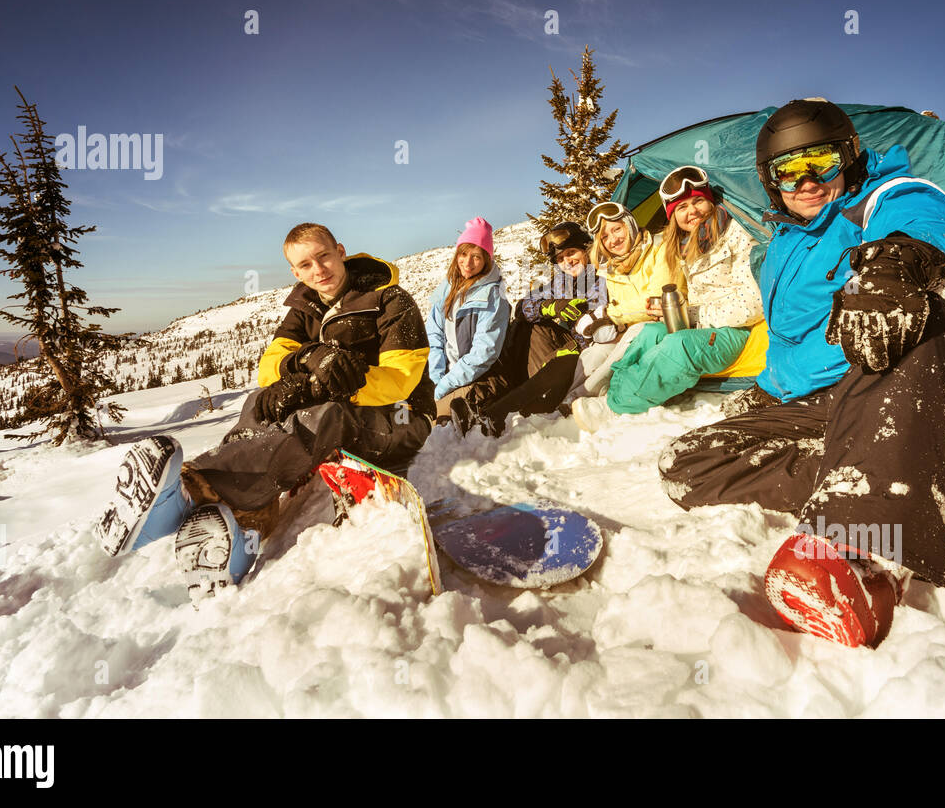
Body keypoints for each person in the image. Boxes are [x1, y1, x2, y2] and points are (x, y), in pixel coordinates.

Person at [657, 99, 945, 648]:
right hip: (827, 406)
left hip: (917, 387)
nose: (807, 181)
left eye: (819, 161)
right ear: (771, 183)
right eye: (787, 171)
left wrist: (896, 263)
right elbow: (791, 345)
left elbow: (926, 220)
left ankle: (867, 555)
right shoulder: (781, 246)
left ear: (848, 157)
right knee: (687, 464)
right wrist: (764, 393)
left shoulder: (880, 199)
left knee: (940, 300)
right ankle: (907, 467)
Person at [95, 222, 435, 595]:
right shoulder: (305, 305)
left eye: (323, 257)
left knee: (325, 417)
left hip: (402, 418)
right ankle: (240, 531)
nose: (318, 270)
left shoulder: (389, 300)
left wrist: (329, 386)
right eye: (305, 265)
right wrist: (304, 365)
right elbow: (269, 366)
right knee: (260, 402)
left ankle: (191, 491)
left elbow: (401, 379)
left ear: (340, 251)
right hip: (340, 411)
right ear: (295, 271)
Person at [577, 166, 766, 427]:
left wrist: (694, 315)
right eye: (681, 208)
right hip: (699, 326)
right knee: (649, 334)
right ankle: (619, 391)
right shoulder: (685, 245)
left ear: (710, 201)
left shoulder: (737, 234)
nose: (692, 212)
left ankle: (615, 407)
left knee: (678, 347)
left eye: (698, 201)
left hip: (733, 330)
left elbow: (755, 301)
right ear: (673, 216)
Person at [449, 221, 611, 436]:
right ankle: (486, 397)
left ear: (586, 249)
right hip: (557, 356)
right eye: (560, 259)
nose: (567, 261)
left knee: (558, 351)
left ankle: (497, 412)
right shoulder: (560, 283)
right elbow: (523, 306)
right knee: (524, 324)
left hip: (583, 356)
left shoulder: (603, 279)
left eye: (571, 253)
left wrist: (577, 339)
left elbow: (604, 331)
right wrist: (549, 307)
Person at [569, 200, 685, 407]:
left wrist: (609, 315)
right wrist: (613, 325)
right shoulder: (611, 269)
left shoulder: (662, 248)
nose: (613, 240)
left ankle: (582, 396)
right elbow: (626, 310)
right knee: (596, 351)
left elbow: (655, 302)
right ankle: (565, 398)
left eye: (617, 229)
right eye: (604, 236)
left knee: (637, 331)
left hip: (670, 325)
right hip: (634, 332)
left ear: (629, 225)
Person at [425, 217, 510, 424]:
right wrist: (435, 377)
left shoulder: (493, 295)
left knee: (429, 418)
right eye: (463, 254)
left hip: (478, 378)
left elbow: (484, 353)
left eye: (476, 257)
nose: (468, 263)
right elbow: (433, 333)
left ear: (486, 259)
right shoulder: (449, 285)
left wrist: (444, 386)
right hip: (445, 375)